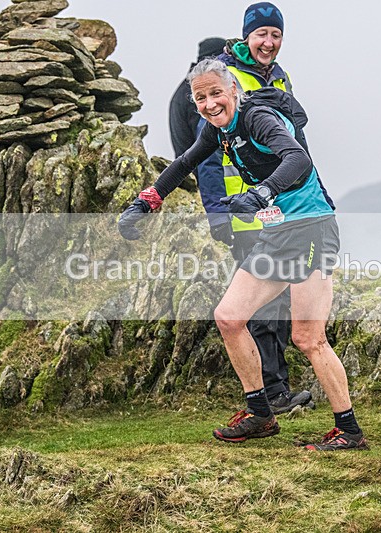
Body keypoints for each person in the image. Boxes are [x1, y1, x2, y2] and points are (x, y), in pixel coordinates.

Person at [119, 59, 367, 450]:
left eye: (216, 93)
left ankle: (349, 431)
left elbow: (298, 159)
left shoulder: (258, 118)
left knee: (308, 338)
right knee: (229, 318)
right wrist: (146, 201)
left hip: (310, 228)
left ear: (233, 89)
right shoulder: (216, 130)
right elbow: (185, 163)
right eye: (200, 97)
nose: (209, 103)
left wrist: (261, 192)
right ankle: (260, 413)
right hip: (274, 234)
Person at [169, 36, 311, 415]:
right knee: (260, 303)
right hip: (240, 212)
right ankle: (271, 392)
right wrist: (219, 214)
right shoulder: (199, 100)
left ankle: (274, 388)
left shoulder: (270, 80)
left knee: (273, 298)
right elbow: (203, 162)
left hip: (267, 208)